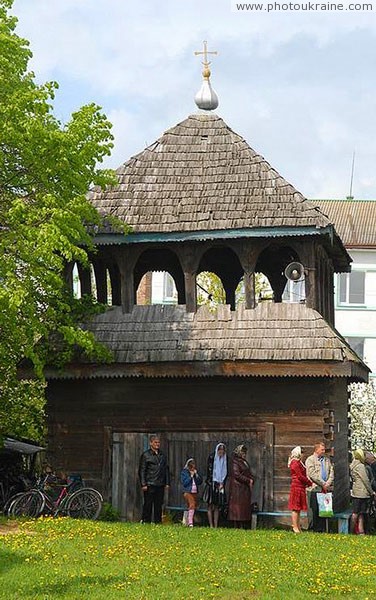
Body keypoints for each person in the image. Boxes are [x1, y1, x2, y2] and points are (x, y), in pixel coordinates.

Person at [138, 434, 170, 524]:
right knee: (148, 504)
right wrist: (143, 484)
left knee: (159, 504)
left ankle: (157, 522)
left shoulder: (162, 455)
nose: (157, 444)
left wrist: (167, 482)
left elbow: (166, 469)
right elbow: (142, 470)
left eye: (158, 442)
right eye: (155, 442)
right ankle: (145, 521)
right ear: (151, 443)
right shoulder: (146, 455)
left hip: (160, 483)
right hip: (150, 483)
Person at [305, 442, 334, 532]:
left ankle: (322, 529)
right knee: (313, 510)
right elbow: (312, 474)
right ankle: (313, 529)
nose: (324, 451)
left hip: (325, 489)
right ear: (316, 450)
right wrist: (323, 484)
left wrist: (328, 483)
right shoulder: (310, 460)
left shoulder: (326, 460)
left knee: (324, 509)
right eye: (322, 449)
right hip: (314, 489)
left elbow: (331, 472)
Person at [227, 444, 254, 528]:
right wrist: (247, 480)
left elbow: (247, 472)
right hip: (237, 488)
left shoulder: (244, 462)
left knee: (243, 507)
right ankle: (236, 524)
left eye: (245, 452)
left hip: (244, 488)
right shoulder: (235, 461)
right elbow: (236, 474)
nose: (244, 454)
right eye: (242, 452)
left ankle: (243, 524)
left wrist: (251, 478)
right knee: (237, 507)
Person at [350, 448, 374, 535]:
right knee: (357, 513)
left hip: (357, 491)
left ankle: (361, 530)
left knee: (360, 513)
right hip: (362, 492)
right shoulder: (360, 466)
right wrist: (372, 492)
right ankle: (352, 531)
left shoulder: (353, 464)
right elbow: (365, 480)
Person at [287, 446, 312, 533]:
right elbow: (299, 476)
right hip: (296, 486)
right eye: (302, 453)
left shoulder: (299, 462)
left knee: (298, 508)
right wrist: (309, 482)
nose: (303, 455)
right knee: (295, 507)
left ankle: (298, 526)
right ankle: (294, 526)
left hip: (300, 486)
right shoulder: (294, 463)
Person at [204, 442, 228, 528]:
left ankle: (216, 525)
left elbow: (225, 472)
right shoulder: (212, 457)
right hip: (211, 483)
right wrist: (211, 483)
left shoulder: (225, 459)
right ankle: (211, 524)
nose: (221, 452)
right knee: (210, 505)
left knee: (217, 506)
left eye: (223, 450)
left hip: (220, 484)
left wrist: (222, 483)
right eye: (220, 450)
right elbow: (209, 471)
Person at [180, 458, 203, 527]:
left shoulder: (196, 472)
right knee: (192, 504)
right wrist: (191, 476)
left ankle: (186, 521)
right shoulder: (184, 472)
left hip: (195, 492)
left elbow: (200, 482)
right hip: (187, 491)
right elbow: (185, 483)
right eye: (191, 465)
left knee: (191, 506)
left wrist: (196, 475)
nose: (192, 467)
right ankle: (190, 523)